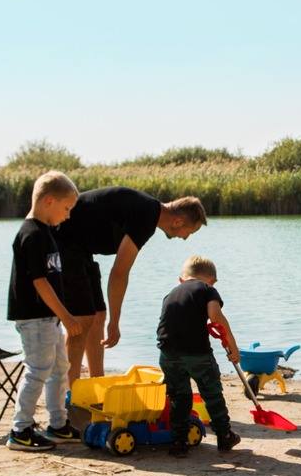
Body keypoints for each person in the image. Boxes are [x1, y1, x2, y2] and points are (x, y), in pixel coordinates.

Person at [55, 186, 208, 384]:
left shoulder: (148, 211)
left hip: (82, 249)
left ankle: (96, 383)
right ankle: (69, 394)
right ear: (178, 221)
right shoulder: (146, 216)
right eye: (190, 232)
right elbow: (119, 273)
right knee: (82, 320)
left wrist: (110, 317)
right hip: (63, 241)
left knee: (98, 315)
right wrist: (115, 322)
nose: (186, 237)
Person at [6, 171, 83, 451]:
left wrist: (59, 315)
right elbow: (39, 282)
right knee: (38, 370)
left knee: (60, 368)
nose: (68, 215)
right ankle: (21, 429)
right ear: (49, 201)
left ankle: (58, 424)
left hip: (47, 318)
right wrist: (65, 314)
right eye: (66, 208)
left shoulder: (46, 232)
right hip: (34, 316)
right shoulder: (31, 234)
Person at [156, 255, 241, 457]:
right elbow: (216, 317)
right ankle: (224, 435)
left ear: (181, 279)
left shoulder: (170, 294)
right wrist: (233, 347)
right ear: (212, 281)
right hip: (196, 352)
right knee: (211, 392)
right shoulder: (207, 290)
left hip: (168, 353)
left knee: (178, 397)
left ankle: (179, 441)